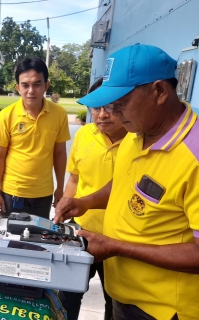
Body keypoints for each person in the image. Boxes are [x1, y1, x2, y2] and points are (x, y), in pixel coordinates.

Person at [54, 43, 199, 320]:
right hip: (124, 293)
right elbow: (124, 184)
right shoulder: (136, 134)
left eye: (120, 104)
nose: (114, 114)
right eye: (109, 106)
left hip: (163, 309)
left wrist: (117, 246)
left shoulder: (194, 156)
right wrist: (85, 202)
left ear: (159, 91)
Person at [58, 77, 127, 320]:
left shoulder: (137, 142)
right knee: (67, 295)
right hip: (81, 233)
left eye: (109, 106)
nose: (102, 115)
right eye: (96, 107)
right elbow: (74, 179)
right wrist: (63, 214)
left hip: (119, 239)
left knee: (116, 301)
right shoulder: (84, 135)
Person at [0, 57, 70, 219]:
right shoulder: (6, 115)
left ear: (46, 86)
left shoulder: (59, 114)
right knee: (11, 241)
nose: (31, 91)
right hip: (12, 193)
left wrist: (60, 188)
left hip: (43, 194)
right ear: (18, 88)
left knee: (37, 240)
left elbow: (60, 153)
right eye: (25, 85)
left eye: (37, 84)